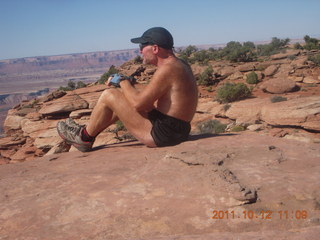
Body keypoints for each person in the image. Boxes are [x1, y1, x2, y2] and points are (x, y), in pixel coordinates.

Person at [57, 27, 198, 152]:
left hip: (165, 134)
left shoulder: (167, 69)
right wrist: (129, 84)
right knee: (125, 98)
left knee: (109, 94)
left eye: (143, 46)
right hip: (178, 129)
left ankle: (83, 137)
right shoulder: (180, 64)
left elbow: (139, 104)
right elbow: (150, 95)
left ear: (155, 48)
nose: (140, 50)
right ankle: (86, 133)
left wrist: (122, 81)